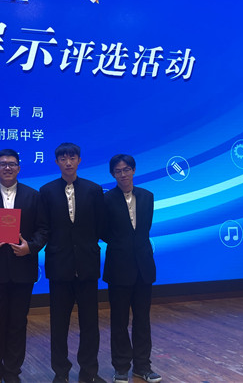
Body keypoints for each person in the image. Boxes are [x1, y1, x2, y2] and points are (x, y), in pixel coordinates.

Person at [0, 149, 48, 383]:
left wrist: (31, 247)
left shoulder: (33, 196)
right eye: (3, 164)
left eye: (12, 164)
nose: (7, 168)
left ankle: (13, 372)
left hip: (23, 269)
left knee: (18, 322)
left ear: (19, 168)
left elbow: (43, 229)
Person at [39, 143, 107, 383]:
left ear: (79, 160)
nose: (68, 162)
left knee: (90, 324)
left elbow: (100, 226)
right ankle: (61, 372)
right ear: (56, 162)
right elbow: (43, 227)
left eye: (72, 157)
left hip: (87, 265)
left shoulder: (93, 190)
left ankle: (89, 371)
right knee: (59, 324)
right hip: (59, 266)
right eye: (63, 158)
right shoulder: (46, 191)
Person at [102, 154, 161, 383]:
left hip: (143, 267)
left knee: (142, 320)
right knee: (119, 321)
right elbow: (103, 232)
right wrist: (122, 245)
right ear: (113, 174)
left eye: (126, 169)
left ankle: (142, 366)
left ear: (133, 170)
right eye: (118, 171)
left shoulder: (147, 196)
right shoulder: (106, 200)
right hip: (118, 267)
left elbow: (144, 230)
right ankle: (121, 367)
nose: (123, 174)